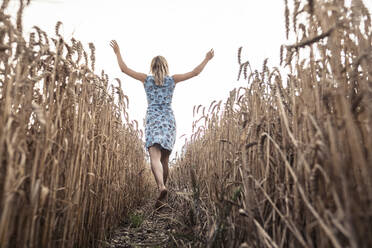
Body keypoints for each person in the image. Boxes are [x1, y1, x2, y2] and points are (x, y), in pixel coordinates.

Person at [110, 40, 214, 208]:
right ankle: (163, 195)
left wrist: (117, 52)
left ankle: (161, 187)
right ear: (166, 67)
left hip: (153, 118)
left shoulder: (146, 80)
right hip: (168, 119)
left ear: (152, 67)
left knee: (154, 155)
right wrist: (207, 59)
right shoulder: (172, 80)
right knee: (165, 158)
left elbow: (124, 69)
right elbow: (195, 72)